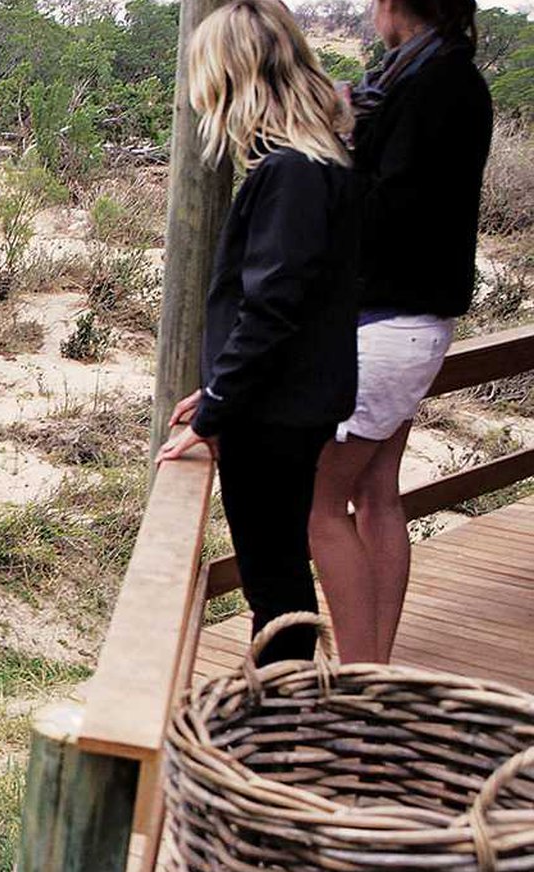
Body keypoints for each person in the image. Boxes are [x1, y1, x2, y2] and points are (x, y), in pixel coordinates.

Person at [158, 0, 362, 666]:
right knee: (278, 574)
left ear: (232, 77)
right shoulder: (317, 163)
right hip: (286, 406)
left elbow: (270, 308)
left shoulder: (292, 173)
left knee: (274, 584)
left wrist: (218, 409)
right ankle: (284, 710)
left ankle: (282, 718)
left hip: (275, 417)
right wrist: (218, 391)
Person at [307, 0, 492, 664]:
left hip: (386, 322)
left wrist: (333, 150)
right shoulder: (447, 77)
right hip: (419, 323)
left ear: (394, 5)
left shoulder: (428, 86)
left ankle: (358, 683)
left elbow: (389, 206)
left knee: (319, 506)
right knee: (376, 494)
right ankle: (373, 666)